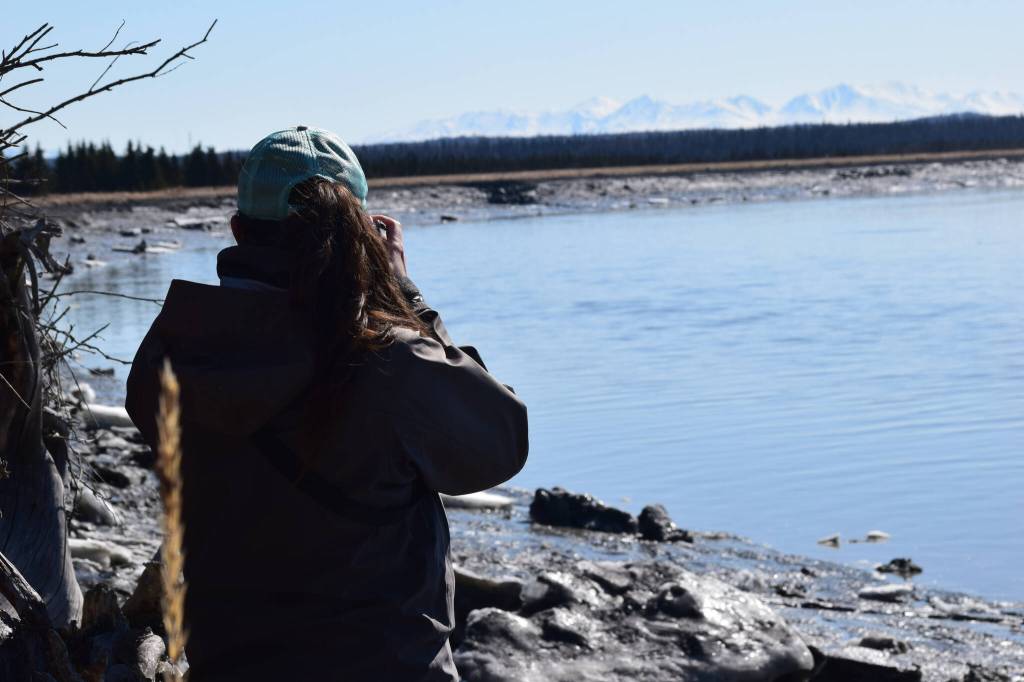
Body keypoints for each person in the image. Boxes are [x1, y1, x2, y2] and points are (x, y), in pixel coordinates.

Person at [125, 126, 529, 681]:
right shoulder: (390, 360)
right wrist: (406, 300)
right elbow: (499, 444)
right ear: (361, 231)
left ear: (238, 230)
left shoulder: (173, 352)